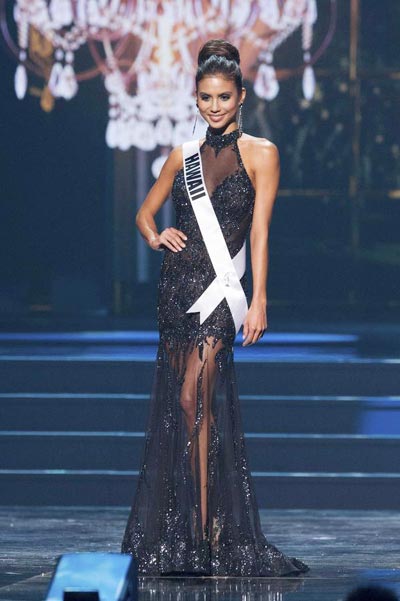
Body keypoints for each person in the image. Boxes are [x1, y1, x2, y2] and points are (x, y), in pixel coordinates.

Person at [121, 38, 309, 577]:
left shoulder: (262, 153)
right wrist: (158, 237)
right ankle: (201, 532)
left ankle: (209, 530)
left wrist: (261, 300)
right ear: (196, 98)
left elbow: (261, 231)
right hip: (177, 292)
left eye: (224, 97)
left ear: (242, 96)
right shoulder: (182, 156)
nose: (215, 107)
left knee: (189, 399)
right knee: (189, 412)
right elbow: (143, 215)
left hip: (223, 297)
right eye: (206, 97)